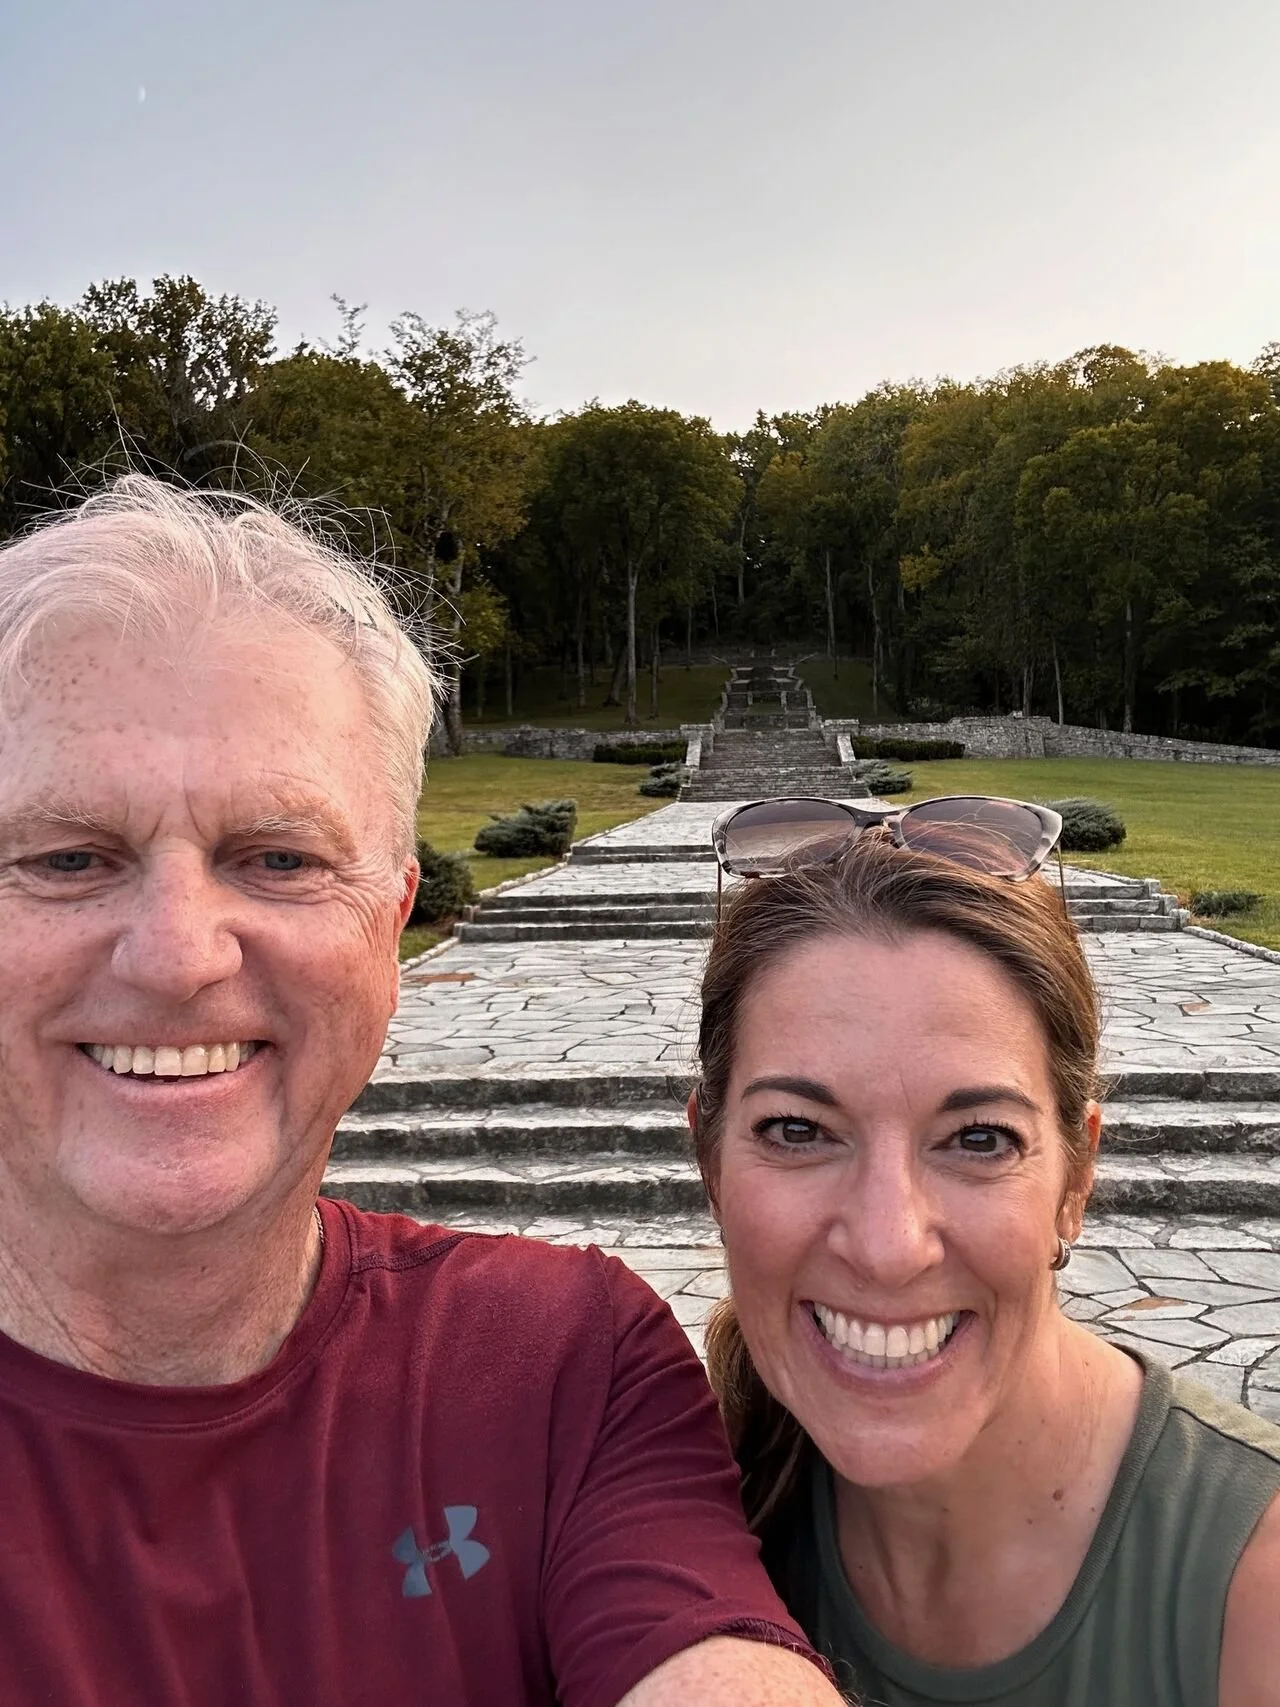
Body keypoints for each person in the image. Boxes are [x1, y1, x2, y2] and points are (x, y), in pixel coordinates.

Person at [0, 476, 842, 1707]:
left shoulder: (557, 1366)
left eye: (278, 858)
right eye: (68, 859)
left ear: (390, 927)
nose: (177, 955)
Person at [688, 805, 1280, 1707]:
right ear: (711, 1164)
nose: (889, 1245)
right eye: (799, 1129)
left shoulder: (1256, 1591)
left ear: (1075, 1179)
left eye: (978, 1140)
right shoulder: (672, 1519)